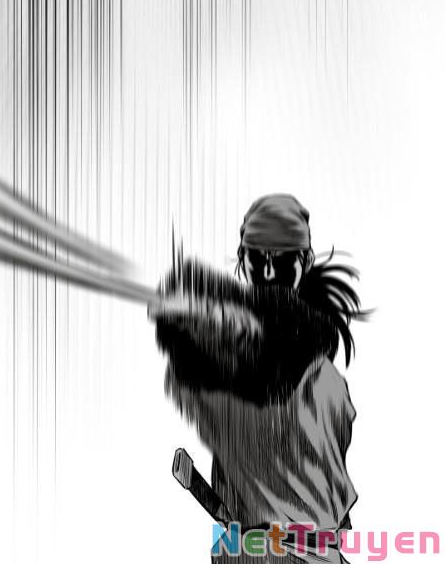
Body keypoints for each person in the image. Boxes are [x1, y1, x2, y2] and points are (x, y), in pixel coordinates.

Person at [149, 194, 369, 563]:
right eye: (257, 259)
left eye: (280, 261)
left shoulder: (324, 381)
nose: (267, 273)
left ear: (304, 262)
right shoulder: (216, 364)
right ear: (242, 259)